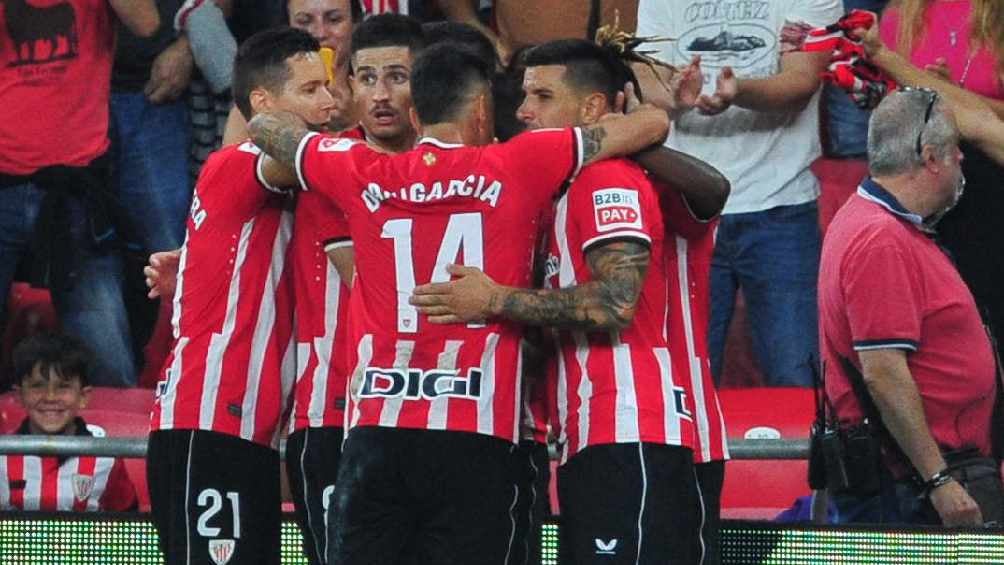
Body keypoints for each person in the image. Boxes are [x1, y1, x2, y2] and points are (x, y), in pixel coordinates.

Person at [248, 41, 670, 565]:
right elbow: (652, 125)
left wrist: (320, 131)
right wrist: (634, 110)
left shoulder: (358, 168)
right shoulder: (522, 161)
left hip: (377, 434)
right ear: (481, 111)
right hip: (476, 436)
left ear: (414, 115)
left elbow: (265, 127)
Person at [409, 37, 730, 564]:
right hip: (604, 431)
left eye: (542, 96)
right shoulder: (563, 188)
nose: (523, 110)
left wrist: (494, 300)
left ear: (593, 109)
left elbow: (616, 301)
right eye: (523, 95)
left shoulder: (606, 177)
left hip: (634, 424)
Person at [147, 28, 334, 565]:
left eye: (328, 86)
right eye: (310, 90)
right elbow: (297, 159)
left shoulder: (275, 198)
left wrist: (191, 267)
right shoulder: (238, 162)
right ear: (263, 104)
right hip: (209, 421)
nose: (328, 102)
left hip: (249, 431)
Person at [818, 89, 1003, 526]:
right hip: (914, 487)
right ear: (930, 157)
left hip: (923, 476)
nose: (962, 158)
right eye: (955, 148)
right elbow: (883, 372)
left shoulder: (883, 224)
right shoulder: (881, 239)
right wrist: (938, 480)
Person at [636, 0, 843, 387]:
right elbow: (647, 78)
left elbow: (802, 81)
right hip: (689, 206)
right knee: (683, 378)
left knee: (798, 374)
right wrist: (674, 93)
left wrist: (737, 91)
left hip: (781, 202)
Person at [284, 13, 423, 565]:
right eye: (366, 79)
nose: (380, 95)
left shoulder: (455, 163)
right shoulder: (330, 167)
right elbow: (381, 284)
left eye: (397, 77)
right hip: (336, 412)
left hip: (432, 418)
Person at [0, 0, 158, 388]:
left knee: (107, 358)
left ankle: (114, 430)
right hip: (4, 181)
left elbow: (146, 23)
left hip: (77, 189)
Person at [850, 2, 1004, 369]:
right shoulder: (901, 15)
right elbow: (976, 121)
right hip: (928, 200)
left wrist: (886, 58)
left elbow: (983, 124)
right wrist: (883, 67)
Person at [0, 334, 137, 512]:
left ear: (83, 397)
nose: (50, 397)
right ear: (19, 396)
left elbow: (128, 521)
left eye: (63, 387)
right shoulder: (2, 456)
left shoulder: (106, 458)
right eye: (38, 386)